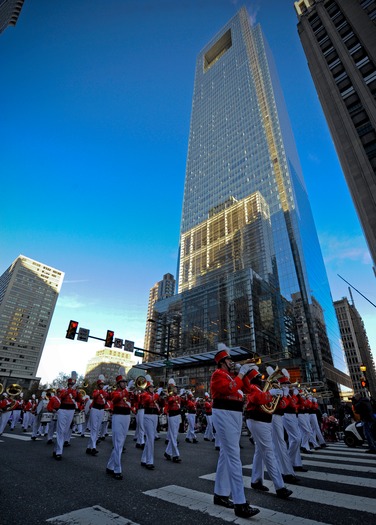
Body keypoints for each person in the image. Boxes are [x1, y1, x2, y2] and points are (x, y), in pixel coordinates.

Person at [210, 343, 260, 519]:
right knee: (233, 455)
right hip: (224, 412)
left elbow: (247, 388)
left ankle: (220, 494)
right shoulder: (218, 374)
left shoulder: (231, 375)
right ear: (223, 361)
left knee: (226, 453)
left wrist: (245, 372)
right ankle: (240, 503)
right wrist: (239, 373)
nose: (232, 361)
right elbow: (229, 389)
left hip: (234, 413)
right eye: (230, 359)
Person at [243, 365, 293, 499]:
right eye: (259, 377)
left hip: (263, 420)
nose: (262, 379)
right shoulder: (253, 388)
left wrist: (280, 395)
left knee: (260, 451)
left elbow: (274, 404)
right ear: (254, 378)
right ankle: (280, 486)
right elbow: (257, 399)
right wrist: (270, 394)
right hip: (257, 420)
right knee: (269, 451)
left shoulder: (259, 388)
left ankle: (256, 480)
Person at [106, 373, 133, 479]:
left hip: (126, 416)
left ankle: (110, 465)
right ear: (118, 383)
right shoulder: (114, 392)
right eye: (122, 382)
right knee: (117, 442)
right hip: (118, 416)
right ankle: (117, 469)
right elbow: (116, 399)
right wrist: (127, 391)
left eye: (125, 382)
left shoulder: (128, 392)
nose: (124, 384)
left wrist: (135, 393)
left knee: (121, 443)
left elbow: (136, 401)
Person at [53, 377, 82, 461]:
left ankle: (56, 449)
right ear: (68, 384)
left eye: (73, 384)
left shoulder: (75, 392)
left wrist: (79, 393)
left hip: (71, 410)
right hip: (62, 410)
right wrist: (69, 390)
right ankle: (59, 452)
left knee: (65, 431)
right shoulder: (64, 390)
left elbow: (80, 400)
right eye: (71, 384)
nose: (72, 386)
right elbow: (61, 396)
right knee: (61, 430)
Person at [139, 380, 160, 469]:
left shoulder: (154, 395)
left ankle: (144, 458)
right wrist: (157, 394)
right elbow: (147, 400)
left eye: (153, 387)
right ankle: (149, 461)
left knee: (149, 439)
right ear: (147, 388)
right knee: (151, 438)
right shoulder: (145, 395)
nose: (152, 388)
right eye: (151, 387)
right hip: (147, 416)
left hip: (155, 415)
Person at [86, 376, 108, 456]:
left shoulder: (105, 392)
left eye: (103, 384)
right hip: (95, 409)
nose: (102, 385)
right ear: (98, 385)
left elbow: (107, 398)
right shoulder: (96, 391)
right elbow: (94, 396)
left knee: (97, 429)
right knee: (94, 428)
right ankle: (94, 447)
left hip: (101, 410)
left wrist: (104, 391)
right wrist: (101, 391)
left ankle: (89, 447)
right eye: (101, 384)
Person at [164, 378, 182, 463]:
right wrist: (171, 394)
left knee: (174, 435)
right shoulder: (169, 396)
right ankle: (175, 455)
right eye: (174, 388)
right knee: (173, 434)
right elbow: (170, 401)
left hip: (177, 415)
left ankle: (167, 452)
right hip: (171, 415)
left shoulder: (177, 396)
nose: (176, 389)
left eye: (176, 388)